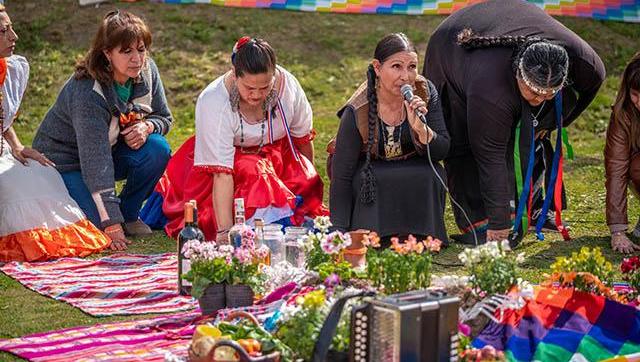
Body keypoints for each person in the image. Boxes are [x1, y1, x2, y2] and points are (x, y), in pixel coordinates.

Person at [424, 0, 605, 244]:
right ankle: (481, 219)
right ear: (518, 72)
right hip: (451, 48)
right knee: (468, 141)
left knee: (534, 131)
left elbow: (590, 88)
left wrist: (552, 122)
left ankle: (535, 207)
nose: (540, 99)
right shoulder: (490, 88)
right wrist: (499, 230)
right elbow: (491, 156)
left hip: (512, 30)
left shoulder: (584, 62)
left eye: (548, 94)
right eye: (534, 92)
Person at [144, 37, 327, 242]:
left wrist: (310, 190)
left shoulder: (289, 87)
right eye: (249, 88)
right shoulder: (213, 100)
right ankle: (258, 229)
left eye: (265, 87)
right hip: (228, 166)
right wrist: (225, 232)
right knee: (255, 171)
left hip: (277, 156)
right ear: (234, 73)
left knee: (300, 175)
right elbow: (222, 175)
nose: (257, 95)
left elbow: (301, 140)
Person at [32, 10, 172, 250]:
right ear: (107, 53)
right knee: (98, 227)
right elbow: (95, 162)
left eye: (141, 49)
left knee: (157, 148)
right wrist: (111, 224)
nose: (137, 59)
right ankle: (111, 215)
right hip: (66, 162)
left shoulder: (147, 70)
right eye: (126, 51)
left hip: (110, 149)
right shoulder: (87, 91)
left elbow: (165, 118)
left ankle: (128, 213)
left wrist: (147, 126)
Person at [0, 5, 111, 261]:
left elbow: (4, 123)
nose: (14, 36)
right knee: (12, 187)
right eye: (4, 31)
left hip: (3, 150)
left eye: (11, 28)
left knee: (43, 173)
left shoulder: (8, 70)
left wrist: (17, 147)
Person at [329, 33, 450, 243]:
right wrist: (338, 230)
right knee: (367, 179)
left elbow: (442, 150)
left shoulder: (426, 92)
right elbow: (342, 175)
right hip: (368, 167)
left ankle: (424, 236)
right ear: (377, 67)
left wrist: (422, 130)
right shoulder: (358, 109)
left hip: (412, 163)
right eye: (396, 67)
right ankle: (372, 235)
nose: (406, 76)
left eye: (412, 67)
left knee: (432, 173)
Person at [605, 52, 640, 254]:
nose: (639, 103)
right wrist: (617, 231)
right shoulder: (623, 115)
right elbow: (616, 168)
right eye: (635, 94)